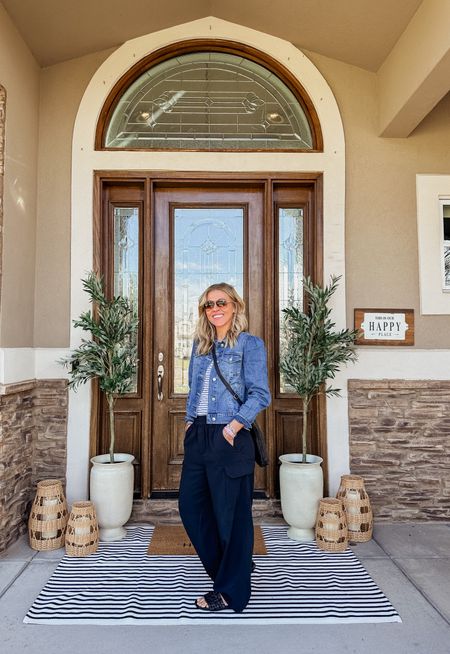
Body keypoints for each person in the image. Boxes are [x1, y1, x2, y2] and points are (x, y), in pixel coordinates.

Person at [178, 282, 271, 613]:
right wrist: (190, 423)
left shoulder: (250, 345)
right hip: (200, 434)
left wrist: (233, 428)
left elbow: (260, 393)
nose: (215, 308)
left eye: (221, 302)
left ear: (235, 306)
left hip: (230, 435)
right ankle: (235, 569)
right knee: (191, 507)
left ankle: (230, 592)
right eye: (208, 305)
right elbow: (194, 389)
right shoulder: (200, 346)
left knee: (231, 516)